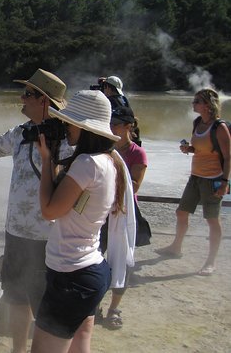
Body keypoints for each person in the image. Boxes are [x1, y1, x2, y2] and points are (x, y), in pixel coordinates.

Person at [0, 68, 73, 353]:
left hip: (50, 238)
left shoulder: (70, 140)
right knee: (17, 298)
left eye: (28, 94)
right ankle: (18, 349)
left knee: (45, 305)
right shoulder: (23, 133)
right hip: (17, 234)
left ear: (44, 101)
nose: (21, 97)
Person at [31, 90, 135, 353]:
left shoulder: (87, 163)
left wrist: (46, 161)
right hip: (91, 269)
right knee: (80, 343)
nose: (66, 128)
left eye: (70, 123)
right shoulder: (110, 160)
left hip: (71, 276)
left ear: (84, 128)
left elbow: (50, 210)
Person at [156, 88, 230, 276]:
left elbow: (228, 157)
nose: (193, 104)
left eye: (197, 101)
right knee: (181, 211)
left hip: (212, 179)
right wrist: (188, 149)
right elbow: (201, 149)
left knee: (212, 220)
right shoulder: (198, 123)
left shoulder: (219, 127)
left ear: (207, 105)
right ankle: (176, 247)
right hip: (195, 177)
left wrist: (224, 182)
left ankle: (211, 262)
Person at [98, 105, 149, 329]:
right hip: (101, 210)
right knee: (96, 255)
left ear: (129, 126)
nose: (111, 127)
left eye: (116, 124)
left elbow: (135, 186)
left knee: (123, 260)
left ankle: (113, 308)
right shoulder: (103, 147)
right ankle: (94, 303)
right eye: (109, 123)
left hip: (124, 211)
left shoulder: (137, 153)